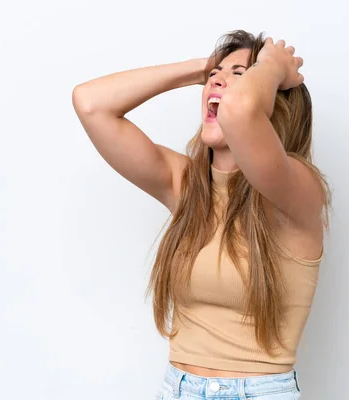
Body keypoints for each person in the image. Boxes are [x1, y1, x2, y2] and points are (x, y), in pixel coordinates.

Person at [72, 29, 331, 400]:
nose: (219, 82)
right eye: (215, 76)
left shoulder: (297, 191)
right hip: (178, 388)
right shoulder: (187, 185)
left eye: (240, 75)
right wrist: (203, 69)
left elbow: (239, 112)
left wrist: (272, 64)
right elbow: (90, 103)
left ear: (276, 103)